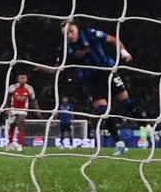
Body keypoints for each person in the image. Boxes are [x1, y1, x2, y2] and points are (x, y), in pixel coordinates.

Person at [40, 21, 134, 156]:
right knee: (102, 111)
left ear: (77, 29)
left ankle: (147, 125)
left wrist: (124, 52)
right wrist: (41, 68)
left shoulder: (90, 33)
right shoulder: (65, 48)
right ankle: (119, 144)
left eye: (71, 31)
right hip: (91, 79)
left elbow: (113, 39)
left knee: (126, 102)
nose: (69, 35)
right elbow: (57, 68)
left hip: (107, 71)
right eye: (66, 34)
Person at [3, 71, 36, 152]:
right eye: (21, 78)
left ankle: (19, 145)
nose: (22, 79)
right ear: (18, 79)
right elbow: (7, 98)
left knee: (20, 123)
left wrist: (37, 110)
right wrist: (6, 108)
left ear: (26, 79)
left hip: (23, 109)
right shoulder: (12, 87)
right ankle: (10, 144)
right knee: (12, 126)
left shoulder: (30, 88)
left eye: (24, 78)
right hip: (13, 109)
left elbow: (33, 100)